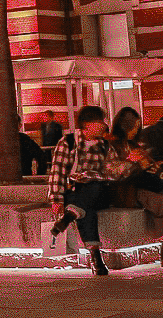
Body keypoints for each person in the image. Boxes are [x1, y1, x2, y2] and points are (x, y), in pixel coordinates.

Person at [103, 117, 163, 268]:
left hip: (137, 187)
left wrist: (148, 165)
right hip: (124, 192)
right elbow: (114, 175)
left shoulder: (127, 146)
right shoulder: (105, 150)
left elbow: (149, 170)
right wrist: (133, 163)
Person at [48, 105, 116, 275]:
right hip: (75, 192)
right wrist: (56, 199)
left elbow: (115, 172)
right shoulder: (68, 142)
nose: (103, 125)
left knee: (92, 189)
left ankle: (71, 215)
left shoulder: (105, 146)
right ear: (87, 124)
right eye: (100, 121)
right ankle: (96, 258)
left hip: (100, 191)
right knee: (86, 208)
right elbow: (58, 171)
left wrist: (97, 176)